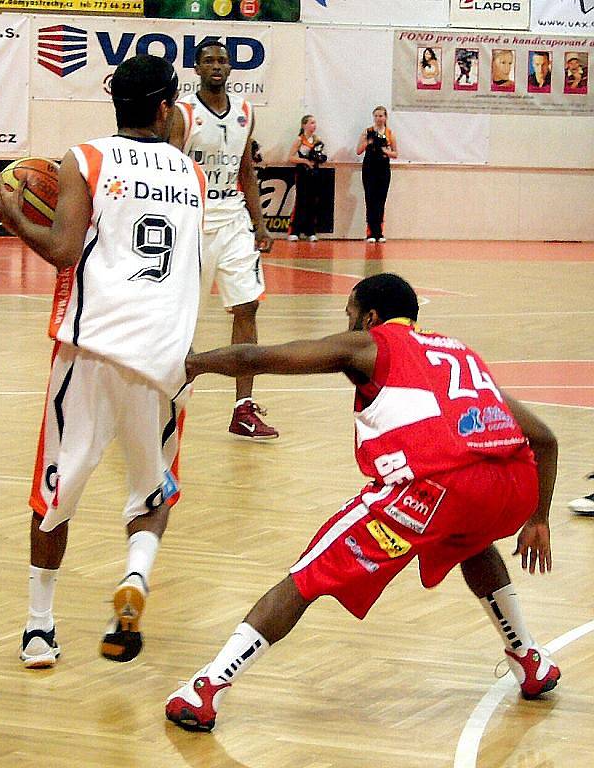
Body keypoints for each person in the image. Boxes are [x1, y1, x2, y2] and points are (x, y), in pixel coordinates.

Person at [165, 273, 561, 732]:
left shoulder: (370, 345)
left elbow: (260, 357)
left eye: (350, 314)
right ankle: (528, 658)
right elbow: (545, 439)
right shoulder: (458, 353)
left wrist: (194, 363)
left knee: (307, 574)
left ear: (369, 316)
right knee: (470, 540)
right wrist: (539, 519)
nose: (348, 323)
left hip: (430, 488)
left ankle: (208, 687)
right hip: (512, 484)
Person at [0, 55, 205, 669]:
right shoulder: (190, 174)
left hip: (90, 351)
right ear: (164, 109)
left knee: (55, 490)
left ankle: (38, 628)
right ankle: (135, 577)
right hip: (164, 359)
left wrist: (14, 218)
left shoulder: (83, 158)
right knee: (153, 488)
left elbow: (62, 251)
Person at [169, 40, 278, 441]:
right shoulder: (183, 114)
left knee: (247, 305)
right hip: (192, 221)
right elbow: (168, 169)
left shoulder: (245, 112)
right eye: (209, 60)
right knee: (179, 314)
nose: (217, 65)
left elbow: (246, 169)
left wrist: (260, 223)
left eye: (223, 60)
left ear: (231, 68)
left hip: (233, 219)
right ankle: (161, 395)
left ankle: (243, 409)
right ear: (196, 69)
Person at [356, 106, 397, 243]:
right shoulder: (367, 132)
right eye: (376, 116)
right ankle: (370, 232)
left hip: (383, 169)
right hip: (369, 168)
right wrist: (369, 142)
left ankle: (379, 232)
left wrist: (384, 150)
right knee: (370, 199)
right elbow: (358, 151)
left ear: (385, 118)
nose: (379, 119)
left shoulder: (390, 133)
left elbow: (395, 153)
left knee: (381, 200)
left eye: (381, 116)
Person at [287, 114, 326, 242]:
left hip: (314, 172)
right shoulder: (299, 140)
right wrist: (305, 161)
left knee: (312, 201)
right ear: (304, 125)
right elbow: (291, 157)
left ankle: (310, 231)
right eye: (311, 123)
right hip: (302, 172)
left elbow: (321, 155)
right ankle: (295, 231)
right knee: (301, 200)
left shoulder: (317, 140)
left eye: (314, 123)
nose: (313, 126)